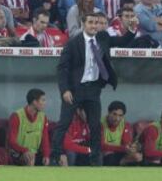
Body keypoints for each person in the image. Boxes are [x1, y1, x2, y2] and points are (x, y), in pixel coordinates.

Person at [50, 12, 137, 166]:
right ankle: (56, 156)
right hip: (75, 90)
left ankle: (95, 160)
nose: (94, 25)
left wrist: (131, 29)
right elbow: (62, 68)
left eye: (96, 22)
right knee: (64, 123)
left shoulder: (103, 37)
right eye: (90, 22)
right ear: (83, 23)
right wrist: (65, 90)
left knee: (95, 126)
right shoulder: (73, 43)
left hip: (93, 89)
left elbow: (122, 40)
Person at [7, 89, 50, 166]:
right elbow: (11, 141)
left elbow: (45, 139)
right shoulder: (16, 116)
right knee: (30, 158)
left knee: (58, 159)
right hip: (18, 152)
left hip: (35, 152)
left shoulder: (43, 117)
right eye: (43, 100)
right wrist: (25, 151)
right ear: (34, 102)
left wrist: (46, 155)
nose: (45, 103)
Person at [101, 101, 142, 166]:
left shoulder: (125, 124)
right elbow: (101, 146)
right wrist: (123, 148)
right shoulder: (100, 124)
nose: (117, 119)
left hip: (119, 152)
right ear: (108, 113)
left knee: (137, 157)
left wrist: (131, 148)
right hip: (104, 154)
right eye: (114, 114)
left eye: (120, 115)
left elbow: (127, 143)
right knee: (108, 156)